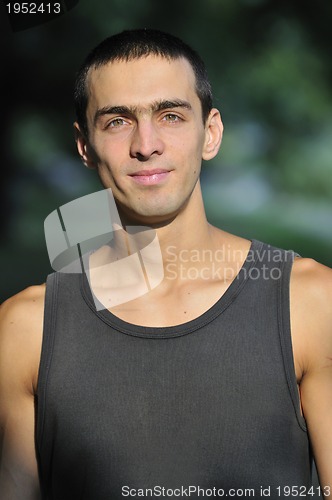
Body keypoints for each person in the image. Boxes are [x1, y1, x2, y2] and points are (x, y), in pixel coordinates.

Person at [0, 28, 331, 500]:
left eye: (171, 115)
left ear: (210, 133)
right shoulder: (24, 329)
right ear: (84, 145)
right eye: (117, 122)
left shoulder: (311, 301)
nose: (146, 143)